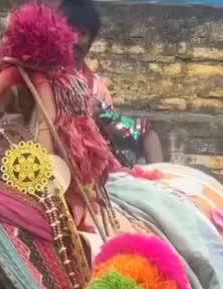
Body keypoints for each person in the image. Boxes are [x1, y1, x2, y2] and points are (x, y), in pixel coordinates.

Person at [58, 0, 163, 167]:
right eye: (71, 30)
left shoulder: (97, 90)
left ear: (90, 40)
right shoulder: (42, 75)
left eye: (83, 33)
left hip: (89, 172)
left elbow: (137, 131)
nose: (76, 40)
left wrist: (97, 116)